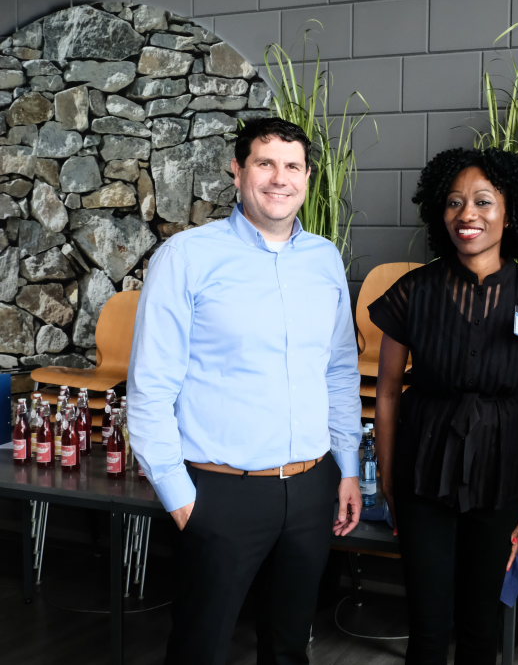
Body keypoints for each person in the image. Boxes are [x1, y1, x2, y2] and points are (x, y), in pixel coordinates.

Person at [127, 117, 363, 665]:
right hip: (219, 492)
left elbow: (338, 371)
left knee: (288, 647)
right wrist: (179, 497)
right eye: (265, 163)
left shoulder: (325, 258)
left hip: (311, 488)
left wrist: (347, 468)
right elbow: (150, 386)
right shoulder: (186, 256)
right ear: (238, 171)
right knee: (200, 649)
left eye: (293, 166)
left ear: (307, 178)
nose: (280, 178)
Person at [370, 148, 518, 665]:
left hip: (500, 473)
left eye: (483, 201)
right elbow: (387, 392)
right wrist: (390, 481)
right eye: (454, 202)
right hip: (422, 471)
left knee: (481, 626)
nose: (467, 214)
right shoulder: (412, 293)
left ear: (510, 214)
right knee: (427, 625)